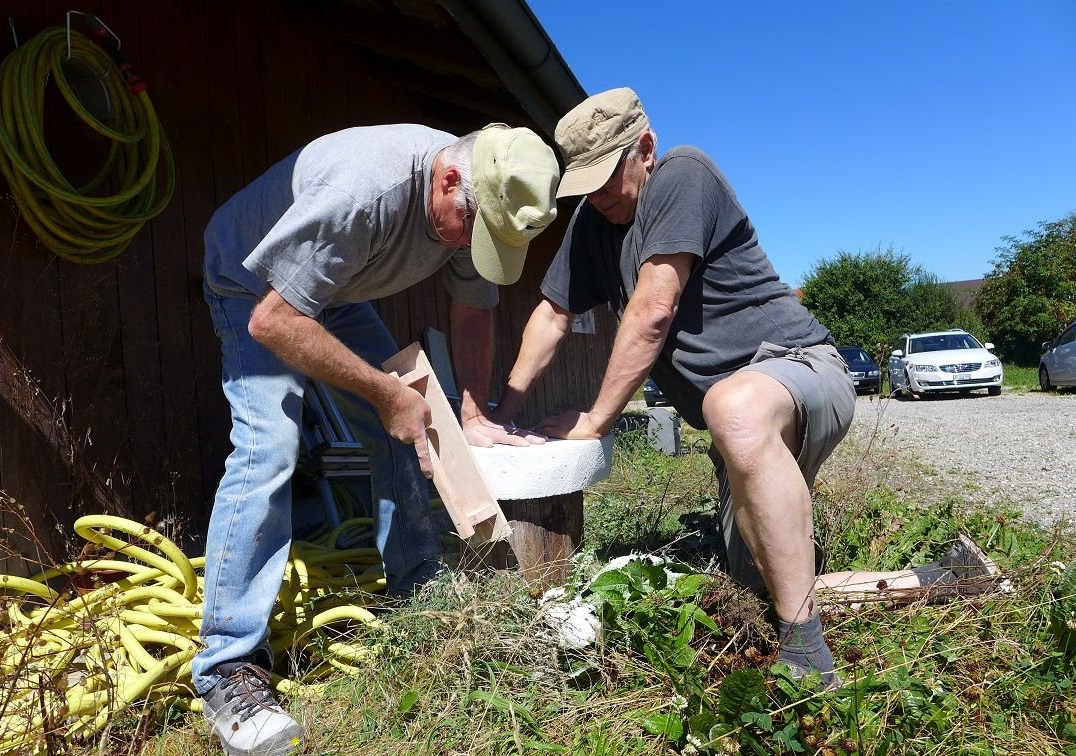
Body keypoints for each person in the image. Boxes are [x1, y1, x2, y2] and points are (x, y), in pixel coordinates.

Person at [194, 122, 558, 754]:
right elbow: (273, 321)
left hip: (331, 290)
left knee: (409, 419)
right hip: (253, 283)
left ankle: (418, 589)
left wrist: (472, 412)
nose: (475, 249)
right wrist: (387, 393)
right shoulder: (367, 191)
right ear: (448, 181)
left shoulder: (482, 195)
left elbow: (473, 309)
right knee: (270, 444)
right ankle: (228, 666)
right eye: (472, 233)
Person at [491, 88, 857, 688]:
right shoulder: (595, 219)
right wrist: (504, 415)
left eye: (609, 177)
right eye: (585, 185)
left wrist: (595, 421)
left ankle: (808, 658)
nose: (600, 196)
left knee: (731, 406)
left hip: (800, 370)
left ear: (646, 147)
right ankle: (898, 584)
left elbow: (653, 310)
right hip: (738, 418)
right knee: (759, 577)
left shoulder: (683, 175)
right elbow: (552, 314)